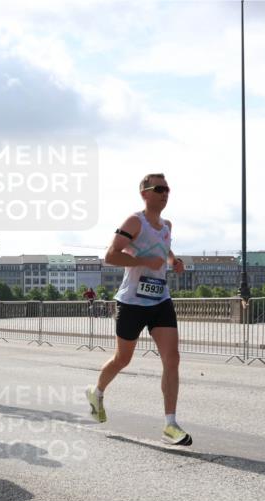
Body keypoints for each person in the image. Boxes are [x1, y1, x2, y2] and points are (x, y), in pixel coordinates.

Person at [85, 172, 191, 446]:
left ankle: (170, 424)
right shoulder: (135, 221)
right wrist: (144, 260)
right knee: (122, 359)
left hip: (159, 300)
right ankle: (96, 392)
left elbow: (165, 251)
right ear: (144, 193)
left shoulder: (167, 225)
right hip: (131, 301)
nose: (165, 193)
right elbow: (110, 255)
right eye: (159, 189)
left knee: (172, 358)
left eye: (168, 189)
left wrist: (173, 261)